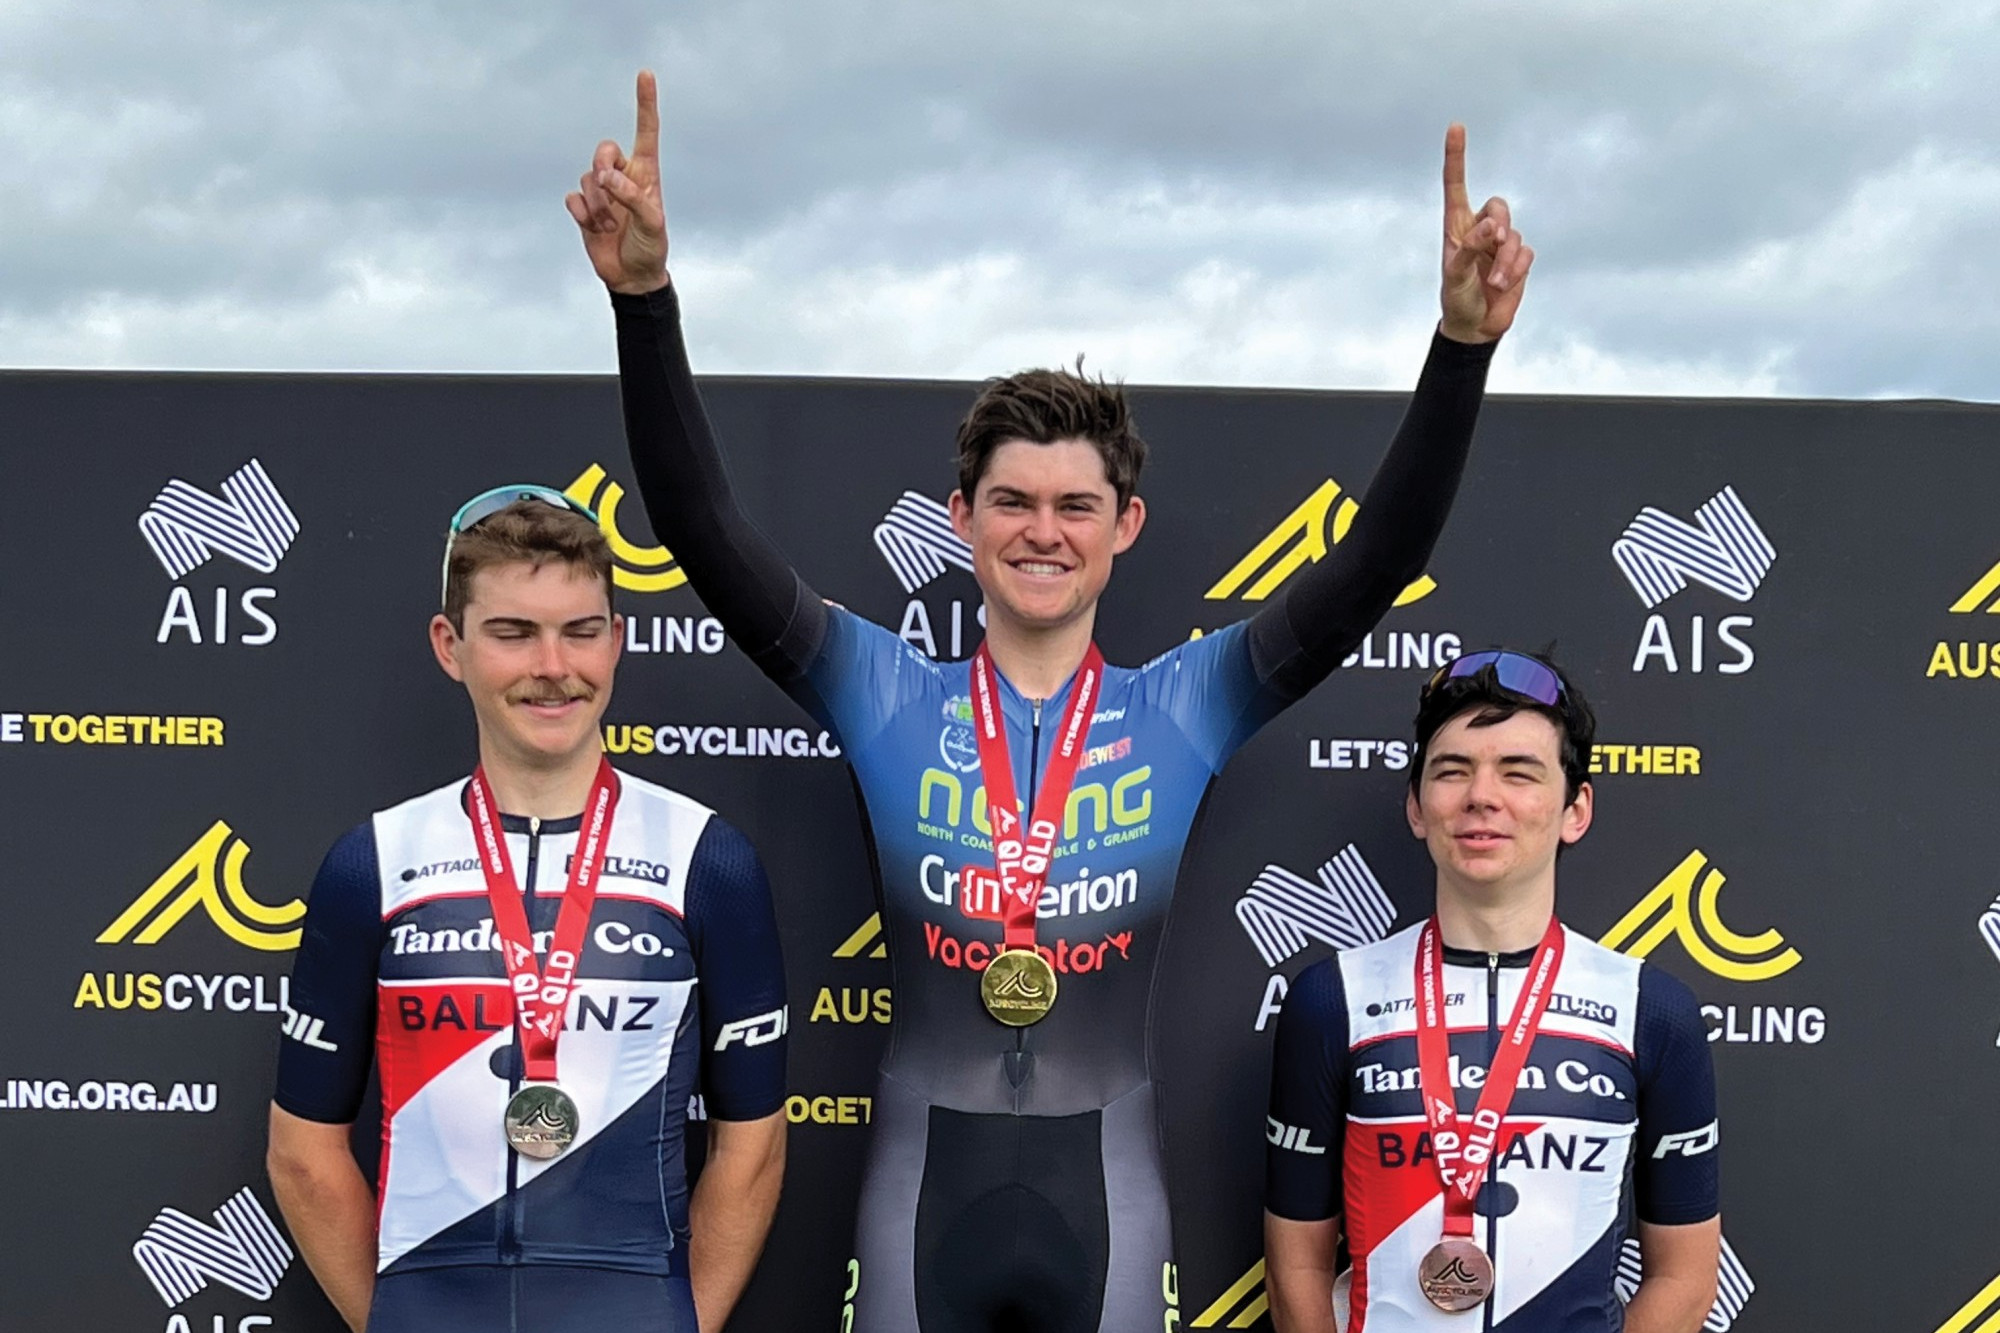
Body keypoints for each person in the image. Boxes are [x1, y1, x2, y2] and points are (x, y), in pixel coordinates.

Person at [568, 70, 1532, 1333]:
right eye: (1011, 502)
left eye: (1075, 505)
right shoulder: (879, 686)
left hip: (1110, 1196)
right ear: (959, 519)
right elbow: (700, 530)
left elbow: (1375, 563)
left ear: (1122, 526)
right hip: (920, 1186)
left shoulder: (1187, 701)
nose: (1042, 531)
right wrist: (642, 300)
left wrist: (1461, 349)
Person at [265, 488, 789, 1333]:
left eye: (581, 630)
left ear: (616, 642)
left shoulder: (707, 860)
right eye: (513, 632)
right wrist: (397, 1318)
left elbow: (753, 1144)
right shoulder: (373, 862)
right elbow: (302, 1150)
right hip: (427, 1303)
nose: (554, 665)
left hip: (633, 1303)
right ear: (451, 645)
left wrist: (680, 1320)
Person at [1264, 650, 1721, 1332]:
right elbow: (1294, 1264)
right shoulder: (1333, 1000)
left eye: (1519, 771)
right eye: (1452, 770)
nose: (1482, 795)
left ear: (1575, 808)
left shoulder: (1652, 1011)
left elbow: (1685, 1276)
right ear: (1417, 806)